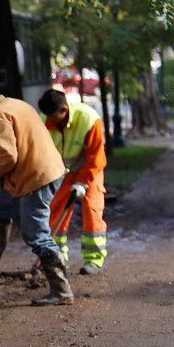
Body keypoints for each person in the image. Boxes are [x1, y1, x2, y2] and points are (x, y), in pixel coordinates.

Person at [0, 89, 72, 306]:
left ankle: (62, 289)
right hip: (45, 171)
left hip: (36, 178)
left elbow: (6, 158)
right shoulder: (15, 104)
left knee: (36, 235)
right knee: (2, 205)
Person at [38, 89, 108, 275]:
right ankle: (57, 258)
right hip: (61, 173)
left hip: (89, 171)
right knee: (54, 215)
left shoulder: (89, 119)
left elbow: (96, 157)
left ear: (64, 109)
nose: (50, 120)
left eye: (53, 116)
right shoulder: (44, 121)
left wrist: (83, 181)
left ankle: (94, 261)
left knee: (92, 212)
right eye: (48, 116)